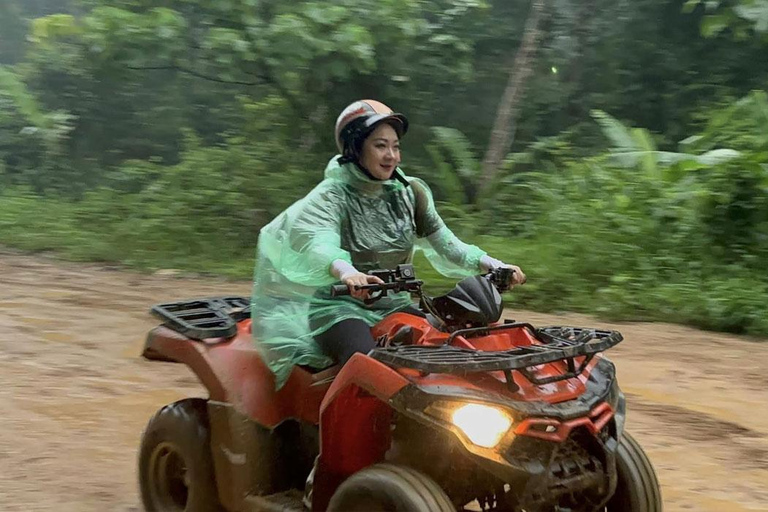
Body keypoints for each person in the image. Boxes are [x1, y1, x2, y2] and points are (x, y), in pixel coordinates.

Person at [251, 99, 525, 388]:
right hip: (338, 310)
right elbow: (320, 243)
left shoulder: (409, 193)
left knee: (444, 353)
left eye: (395, 146)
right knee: (368, 369)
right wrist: (346, 272)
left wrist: (496, 265)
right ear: (355, 147)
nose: (391, 155)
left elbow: (449, 245)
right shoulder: (331, 196)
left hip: (394, 305)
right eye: (380, 146)